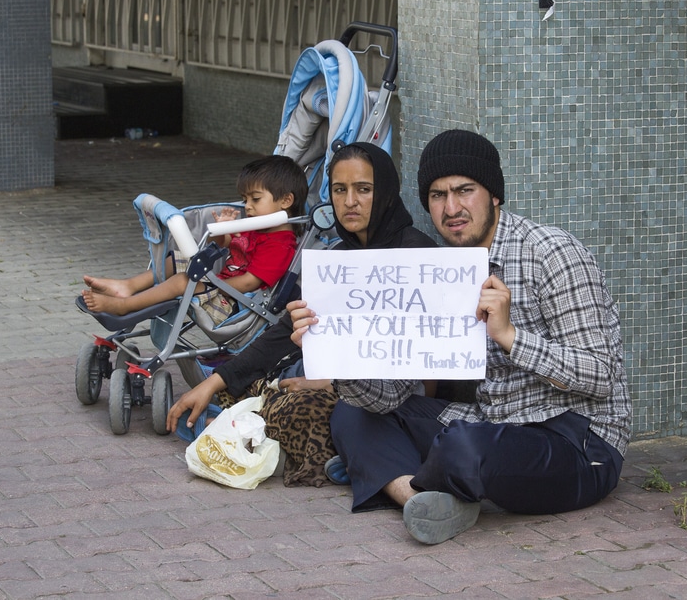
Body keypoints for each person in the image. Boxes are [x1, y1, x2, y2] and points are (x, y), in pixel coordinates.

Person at [288, 129, 632, 544]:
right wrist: (333, 351)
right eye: (437, 195)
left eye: (464, 190)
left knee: (463, 448)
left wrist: (509, 336)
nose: (451, 208)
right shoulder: (440, 270)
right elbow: (392, 394)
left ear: (494, 195)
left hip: (577, 441)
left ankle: (390, 472)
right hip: (490, 422)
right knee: (352, 412)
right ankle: (415, 497)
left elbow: (600, 376)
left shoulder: (551, 253)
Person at [165, 142, 436, 486]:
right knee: (249, 386)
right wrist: (212, 382)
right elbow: (282, 332)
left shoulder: (418, 254)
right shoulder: (339, 256)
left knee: (301, 406)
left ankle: (337, 456)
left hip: (395, 396)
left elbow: (424, 361)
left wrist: (331, 383)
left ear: (385, 192)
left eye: (363, 189)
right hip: (338, 378)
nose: (349, 201)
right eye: (339, 189)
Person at [81, 156, 308, 318]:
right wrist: (222, 233)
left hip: (235, 301)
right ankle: (128, 286)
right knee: (178, 258)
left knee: (183, 281)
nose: (247, 206)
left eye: (255, 199)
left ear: (286, 201)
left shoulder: (281, 244)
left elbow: (251, 281)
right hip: (222, 284)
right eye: (245, 199)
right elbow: (231, 246)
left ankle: (125, 306)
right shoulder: (257, 225)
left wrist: (212, 285)